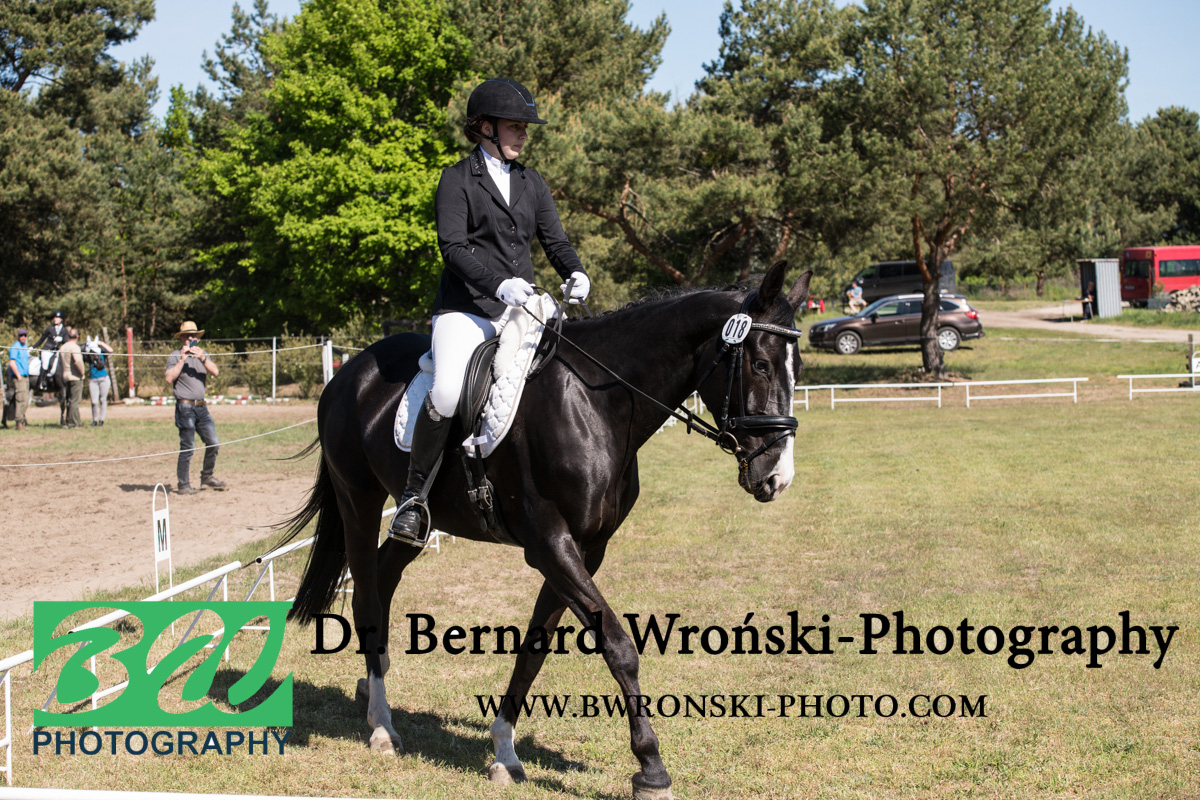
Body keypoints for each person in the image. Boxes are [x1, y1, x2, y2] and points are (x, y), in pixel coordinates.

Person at [388, 77, 589, 541]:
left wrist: (575, 271)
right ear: (484, 127)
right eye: (515, 125)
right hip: (468, 309)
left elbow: (555, 241)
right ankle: (414, 499)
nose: (523, 134)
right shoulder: (457, 178)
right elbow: (453, 248)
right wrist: (498, 284)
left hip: (522, 308)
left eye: (524, 127)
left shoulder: (531, 181)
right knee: (447, 392)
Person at [165, 321, 227, 495]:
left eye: (193, 336)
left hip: (201, 407)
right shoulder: (175, 355)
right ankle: (183, 485)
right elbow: (169, 378)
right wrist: (182, 360)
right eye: (186, 336)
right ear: (181, 339)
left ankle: (207, 476)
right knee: (188, 447)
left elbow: (216, 371)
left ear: (198, 339)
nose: (190, 338)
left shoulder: (203, 354)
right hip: (185, 408)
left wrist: (203, 358)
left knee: (213, 443)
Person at [57, 328, 85, 429]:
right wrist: (82, 372)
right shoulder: (75, 347)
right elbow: (77, 361)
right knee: (75, 401)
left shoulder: (63, 347)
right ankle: (73, 423)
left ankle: (72, 421)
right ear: (77, 336)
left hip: (65, 376)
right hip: (74, 376)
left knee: (69, 400)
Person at [86, 337, 115, 426]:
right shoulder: (88, 355)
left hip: (104, 379)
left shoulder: (101, 353)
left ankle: (101, 420)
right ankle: (95, 420)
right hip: (93, 380)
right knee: (94, 401)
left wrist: (101, 344)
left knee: (103, 400)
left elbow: (110, 350)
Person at [6, 328, 30, 430]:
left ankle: (22, 421)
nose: (23, 337)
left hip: (26, 377)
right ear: (18, 336)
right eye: (21, 335)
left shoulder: (25, 347)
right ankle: (19, 423)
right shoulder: (15, 347)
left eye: (25, 335)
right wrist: (18, 376)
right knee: (20, 399)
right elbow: (12, 363)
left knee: (26, 400)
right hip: (19, 377)